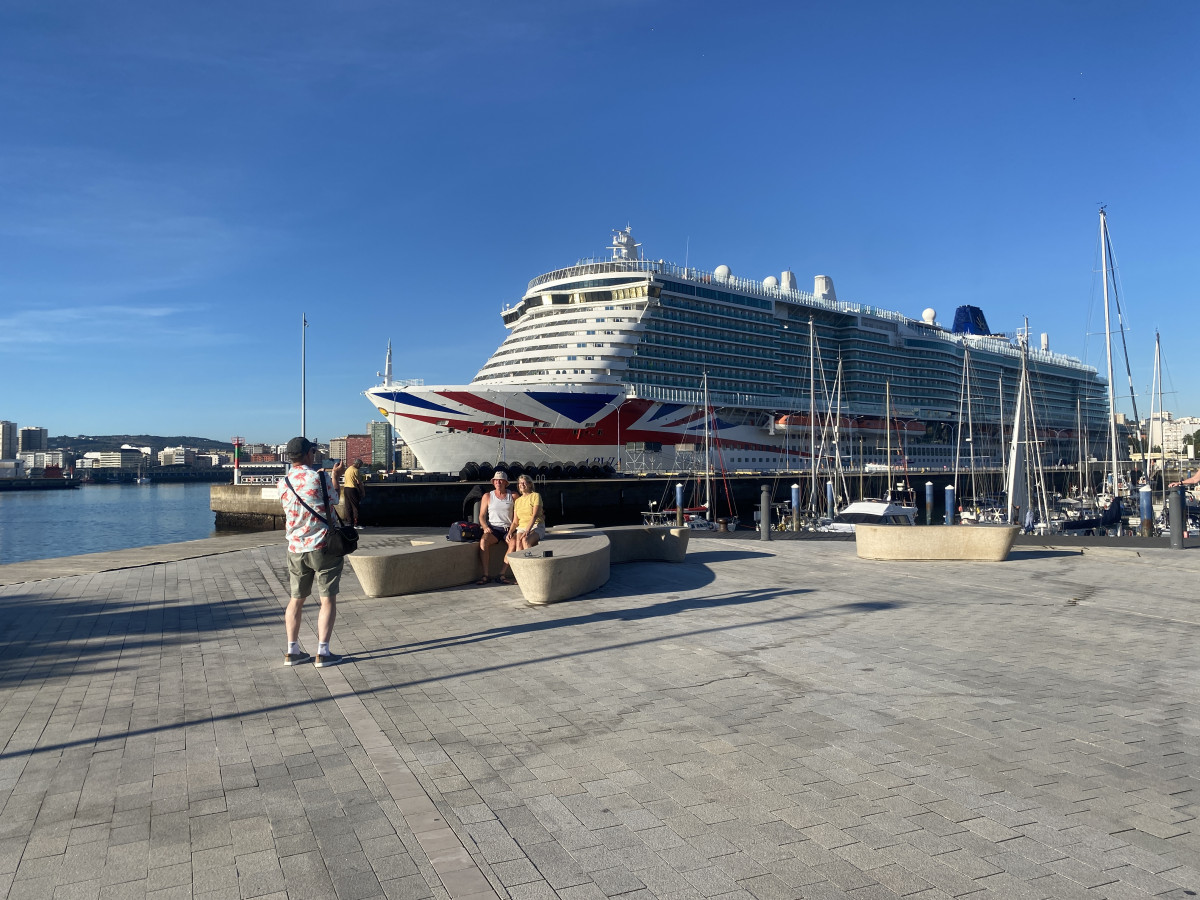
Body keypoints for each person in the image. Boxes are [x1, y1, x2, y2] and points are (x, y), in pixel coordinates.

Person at [278, 437, 343, 668]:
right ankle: (322, 653)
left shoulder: (283, 482)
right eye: (313, 452)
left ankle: (292, 651)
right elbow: (334, 499)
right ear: (309, 453)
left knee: (296, 600)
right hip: (323, 545)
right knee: (327, 600)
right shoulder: (319, 477)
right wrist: (335, 477)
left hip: (295, 547)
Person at [477, 470, 517, 584]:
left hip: (508, 529)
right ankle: (485, 575)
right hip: (493, 528)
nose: (498, 482)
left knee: (513, 543)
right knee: (483, 541)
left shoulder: (513, 496)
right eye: (496, 480)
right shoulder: (487, 496)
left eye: (501, 480)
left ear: (505, 482)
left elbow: (517, 516)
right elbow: (481, 516)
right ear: (493, 482)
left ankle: (502, 574)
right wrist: (485, 526)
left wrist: (512, 531)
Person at [508, 474, 545, 555]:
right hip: (522, 527)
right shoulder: (518, 501)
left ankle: (531, 564)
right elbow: (515, 521)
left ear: (530, 484)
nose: (522, 485)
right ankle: (521, 566)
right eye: (520, 483)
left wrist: (527, 530)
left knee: (525, 540)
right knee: (518, 546)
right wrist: (510, 532)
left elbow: (534, 516)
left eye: (524, 483)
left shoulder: (535, 496)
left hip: (536, 525)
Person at [342, 458, 365, 526]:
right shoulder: (356, 470)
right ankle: (356, 523)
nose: (360, 467)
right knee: (355, 506)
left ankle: (349, 522)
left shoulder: (348, 469)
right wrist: (363, 492)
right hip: (352, 489)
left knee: (348, 506)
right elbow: (359, 482)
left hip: (346, 489)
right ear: (358, 464)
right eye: (360, 465)